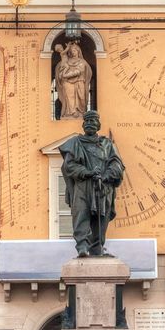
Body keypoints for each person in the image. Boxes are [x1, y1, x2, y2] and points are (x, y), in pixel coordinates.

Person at [59, 109, 125, 257]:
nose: (89, 124)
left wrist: (106, 175)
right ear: (83, 125)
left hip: (103, 186)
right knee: (81, 213)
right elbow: (69, 166)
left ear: (98, 125)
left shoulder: (107, 144)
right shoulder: (75, 143)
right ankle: (82, 245)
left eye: (93, 121)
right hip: (83, 185)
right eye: (87, 121)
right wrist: (87, 172)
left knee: (101, 218)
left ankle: (97, 247)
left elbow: (117, 164)